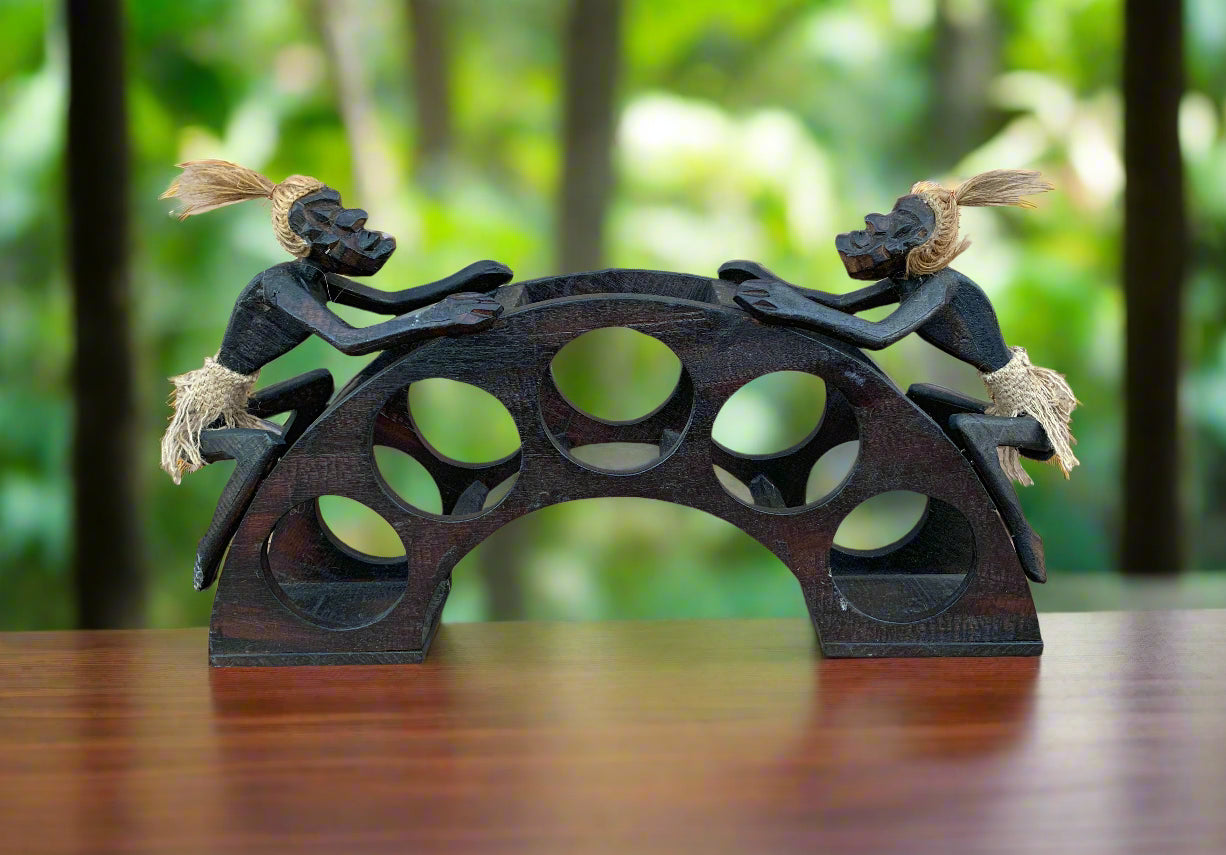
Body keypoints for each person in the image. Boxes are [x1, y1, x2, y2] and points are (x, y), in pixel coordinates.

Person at [158, 160, 511, 589]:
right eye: (331, 223)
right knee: (262, 444)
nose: (353, 227)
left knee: (319, 385)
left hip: (238, 404)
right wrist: (439, 317)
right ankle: (208, 554)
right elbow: (349, 339)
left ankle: (295, 461)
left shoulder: (316, 280)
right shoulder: (281, 286)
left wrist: (464, 281)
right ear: (306, 239)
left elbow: (394, 303)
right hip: (204, 421)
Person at [722, 169, 1077, 583]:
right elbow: (842, 305)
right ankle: (948, 510)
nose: (875, 230)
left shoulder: (942, 287)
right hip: (1006, 406)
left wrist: (793, 308)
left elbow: (879, 335)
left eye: (893, 227)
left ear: (915, 241)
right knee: (921, 396)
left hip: (1032, 422)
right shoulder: (911, 281)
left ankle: (1021, 531)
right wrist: (772, 283)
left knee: (968, 427)